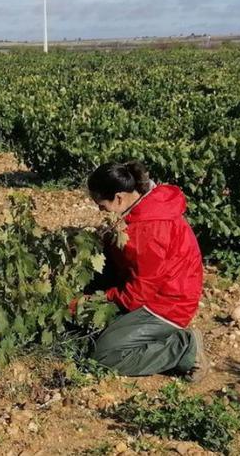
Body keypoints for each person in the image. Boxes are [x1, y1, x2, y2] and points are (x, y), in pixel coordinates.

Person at [76, 161, 207, 378]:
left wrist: (96, 300)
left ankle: (184, 348)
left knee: (105, 356)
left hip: (168, 302)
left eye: (101, 205)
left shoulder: (148, 230)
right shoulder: (146, 205)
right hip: (160, 290)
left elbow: (138, 294)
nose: (100, 210)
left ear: (119, 197)